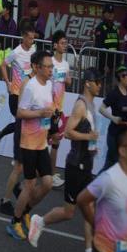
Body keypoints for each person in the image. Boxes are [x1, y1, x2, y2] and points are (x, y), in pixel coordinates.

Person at [28, 68, 102, 252]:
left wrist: (92, 146)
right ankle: (40, 221)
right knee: (69, 212)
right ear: (88, 83)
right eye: (97, 82)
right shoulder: (81, 106)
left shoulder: (91, 104)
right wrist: (89, 137)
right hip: (75, 166)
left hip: (86, 164)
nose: (100, 85)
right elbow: (68, 132)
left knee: (89, 208)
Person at [7, 50, 54, 240]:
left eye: (52, 66)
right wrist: (40, 114)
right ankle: (15, 222)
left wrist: (51, 125)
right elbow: (20, 113)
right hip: (28, 143)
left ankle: (25, 210)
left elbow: (47, 109)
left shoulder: (49, 84)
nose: (51, 70)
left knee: (48, 183)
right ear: (37, 67)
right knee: (30, 185)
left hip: (42, 142)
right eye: (47, 67)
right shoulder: (30, 87)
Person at [0, 26, 36, 150]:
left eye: (33, 38)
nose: (32, 41)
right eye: (30, 38)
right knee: (21, 123)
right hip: (16, 93)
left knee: (22, 124)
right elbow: (3, 65)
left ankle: (0, 136)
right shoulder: (16, 52)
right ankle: (18, 154)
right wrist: (8, 83)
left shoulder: (33, 50)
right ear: (24, 37)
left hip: (27, 93)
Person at [99, 66, 127, 170]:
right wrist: (113, 118)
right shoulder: (114, 94)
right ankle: (98, 180)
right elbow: (101, 109)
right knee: (112, 164)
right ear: (121, 77)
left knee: (114, 165)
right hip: (114, 134)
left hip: (124, 135)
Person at [50, 30, 72, 189]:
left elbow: (68, 82)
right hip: (48, 108)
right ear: (55, 45)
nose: (65, 45)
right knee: (53, 140)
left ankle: (48, 173)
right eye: (62, 43)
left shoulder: (65, 64)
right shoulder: (49, 62)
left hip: (59, 108)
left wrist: (66, 79)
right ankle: (49, 175)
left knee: (53, 140)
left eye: (66, 43)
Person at [94, 4, 120, 78]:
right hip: (104, 64)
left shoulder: (115, 28)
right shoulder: (100, 28)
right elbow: (98, 46)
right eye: (108, 13)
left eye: (112, 13)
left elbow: (117, 46)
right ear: (104, 14)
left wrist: (118, 62)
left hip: (114, 63)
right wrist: (104, 64)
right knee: (103, 83)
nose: (111, 15)